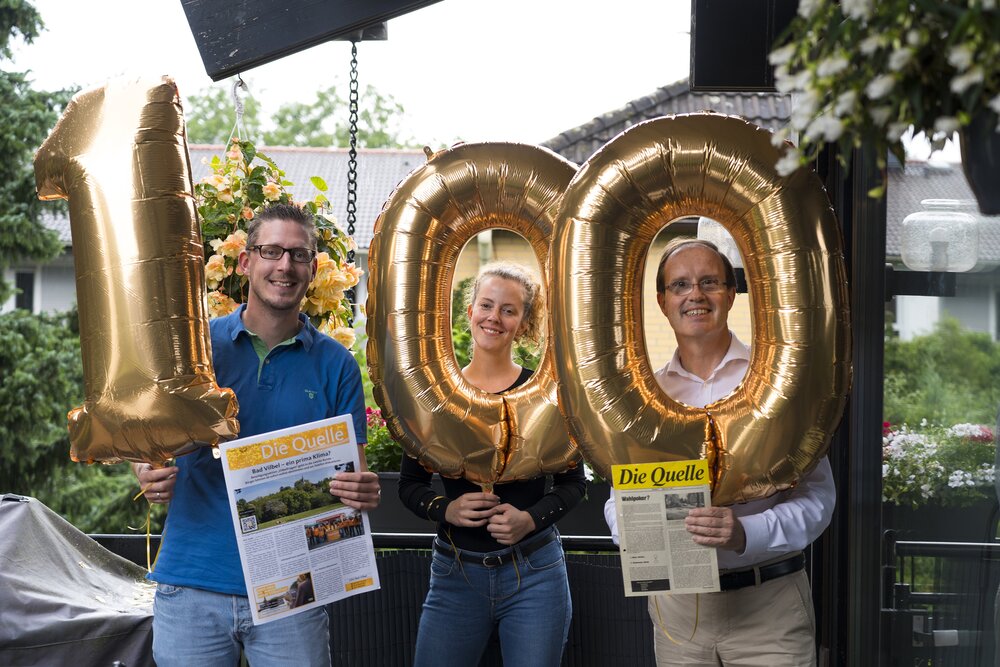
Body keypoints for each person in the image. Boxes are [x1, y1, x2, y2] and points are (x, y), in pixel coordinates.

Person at [132, 203, 381, 667]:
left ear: (311, 268)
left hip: (294, 590)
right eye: (271, 251)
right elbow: (148, 441)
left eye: (298, 254)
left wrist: (362, 490)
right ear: (246, 262)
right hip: (192, 583)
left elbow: (355, 474)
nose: (284, 265)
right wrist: (145, 468)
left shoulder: (337, 366)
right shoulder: (197, 350)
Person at [604, 238, 836, 666]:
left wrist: (747, 533)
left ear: (731, 295)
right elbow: (619, 498)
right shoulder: (644, 399)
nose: (695, 294)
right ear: (662, 301)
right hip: (679, 611)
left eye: (709, 281)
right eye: (680, 285)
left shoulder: (778, 389)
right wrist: (638, 533)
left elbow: (819, 498)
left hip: (770, 609)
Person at [399, 262, 586, 667]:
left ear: (523, 323)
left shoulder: (547, 393)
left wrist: (530, 519)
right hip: (454, 575)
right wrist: (445, 509)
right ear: (470, 312)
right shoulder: (437, 396)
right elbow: (410, 485)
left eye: (508, 310)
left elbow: (574, 485)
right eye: (487, 305)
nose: (494, 318)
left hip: (536, 573)